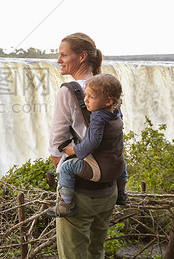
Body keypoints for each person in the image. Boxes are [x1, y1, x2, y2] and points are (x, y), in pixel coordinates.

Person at [44, 33, 127, 259]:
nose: (59, 61)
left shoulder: (69, 92)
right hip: (107, 191)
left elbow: (55, 147)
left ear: (82, 56)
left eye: (63, 55)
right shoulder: (110, 91)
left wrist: (64, 183)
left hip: (78, 193)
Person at [48, 73, 125, 218]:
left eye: (91, 97)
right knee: (121, 158)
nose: (85, 100)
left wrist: (74, 150)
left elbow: (92, 142)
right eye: (86, 95)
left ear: (108, 101)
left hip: (99, 171)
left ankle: (65, 204)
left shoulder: (97, 117)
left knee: (67, 167)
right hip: (117, 169)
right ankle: (122, 192)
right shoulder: (116, 112)